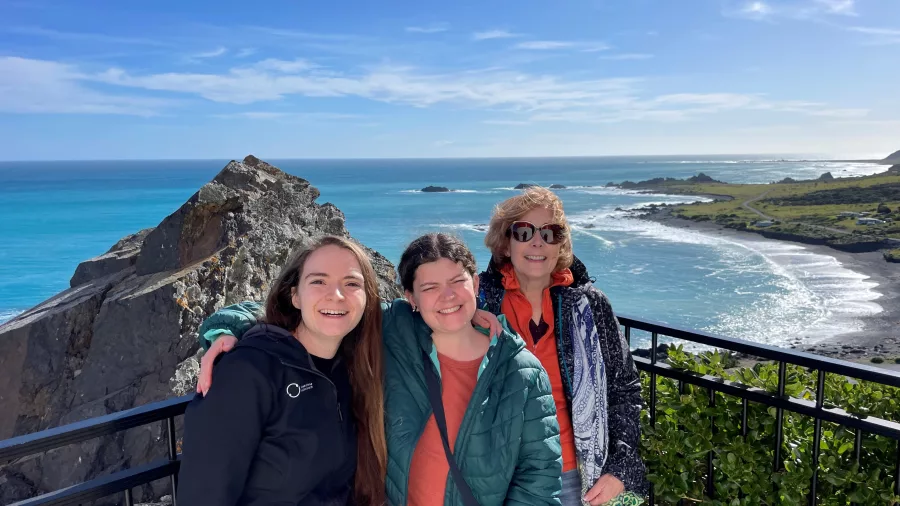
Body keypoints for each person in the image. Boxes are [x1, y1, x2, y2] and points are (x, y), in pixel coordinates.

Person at [194, 233, 563, 506]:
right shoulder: (393, 333)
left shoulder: (522, 371)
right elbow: (307, 310)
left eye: (457, 283)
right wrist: (229, 329)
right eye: (430, 287)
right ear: (410, 298)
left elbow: (539, 479)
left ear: (476, 284)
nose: (447, 297)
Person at [177, 236, 388, 506]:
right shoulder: (248, 370)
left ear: (368, 299)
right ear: (295, 296)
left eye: (351, 283)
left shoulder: (350, 366)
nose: (336, 295)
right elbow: (203, 495)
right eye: (318, 281)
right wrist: (225, 327)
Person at [479, 187, 647, 506]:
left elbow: (625, 390)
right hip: (495, 477)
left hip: (573, 478)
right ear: (505, 243)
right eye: (524, 231)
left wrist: (620, 467)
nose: (537, 242)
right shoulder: (477, 302)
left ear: (562, 244)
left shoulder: (589, 307)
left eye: (550, 233)